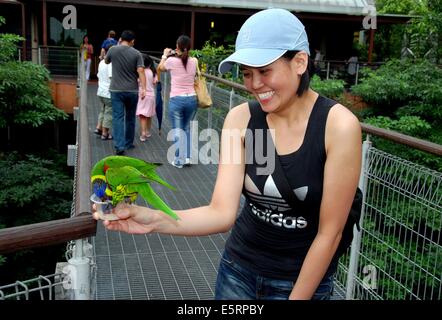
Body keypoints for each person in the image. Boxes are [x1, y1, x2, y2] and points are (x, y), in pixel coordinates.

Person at [95, 8, 361, 300]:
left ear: (299, 62)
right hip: (238, 272)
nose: (254, 85)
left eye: (265, 71)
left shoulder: (338, 126)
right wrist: (152, 219)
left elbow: (329, 234)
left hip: (302, 282)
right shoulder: (241, 119)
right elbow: (221, 212)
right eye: (247, 73)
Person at [158, 35, 198, 168]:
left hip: (177, 99)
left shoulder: (171, 61)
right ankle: (187, 157)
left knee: (177, 130)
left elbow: (160, 68)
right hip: (192, 98)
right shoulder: (194, 61)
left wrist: (165, 55)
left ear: (177, 46)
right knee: (186, 128)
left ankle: (179, 160)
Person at [105, 30, 146, 155]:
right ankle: (128, 143)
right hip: (132, 90)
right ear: (132, 41)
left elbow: (106, 61)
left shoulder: (112, 49)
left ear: (120, 39)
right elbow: (141, 71)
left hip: (116, 90)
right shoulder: (137, 53)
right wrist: (143, 88)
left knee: (118, 117)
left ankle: (119, 146)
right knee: (130, 117)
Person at [136, 54, 157, 141]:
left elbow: (137, 81)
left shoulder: (140, 72)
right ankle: (148, 131)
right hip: (151, 96)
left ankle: (143, 133)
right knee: (149, 115)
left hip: (143, 95)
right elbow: (155, 82)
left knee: (142, 115)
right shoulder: (153, 72)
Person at [95, 44, 113, 140]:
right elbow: (111, 77)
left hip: (100, 91)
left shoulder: (101, 62)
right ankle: (105, 133)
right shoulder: (110, 63)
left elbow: (98, 75)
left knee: (103, 110)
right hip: (108, 92)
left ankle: (99, 127)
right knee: (109, 113)